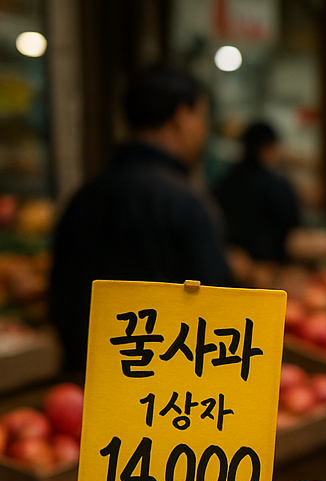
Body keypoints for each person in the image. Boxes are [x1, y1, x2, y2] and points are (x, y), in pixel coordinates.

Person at [50, 65, 231, 371]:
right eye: (202, 118)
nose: (203, 130)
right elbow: (219, 308)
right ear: (181, 116)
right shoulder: (186, 202)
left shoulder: (83, 198)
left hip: (88, 389)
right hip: (165, 395)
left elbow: (61, 302)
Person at [213, 120, 300, 266]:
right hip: (271, 270)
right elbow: (293, 230)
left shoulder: (224, 183)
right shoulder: (276, 185)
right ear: (267, 149)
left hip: (232, 268)